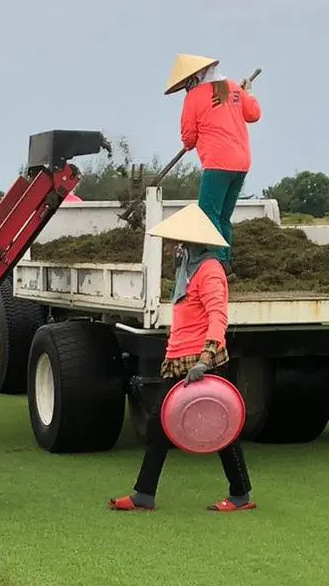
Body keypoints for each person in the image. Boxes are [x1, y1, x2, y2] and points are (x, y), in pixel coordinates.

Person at [109, 202, 255, 513]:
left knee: (221, 428)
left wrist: (205, 358)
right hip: (178, 362)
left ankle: (240, 493)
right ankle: (144, 495)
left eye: (182, 241)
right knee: (159, 426)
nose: (177, 246)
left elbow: (218, 317)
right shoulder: (188, 268)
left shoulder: (210, 270)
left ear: (196, 241)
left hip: (205, 365)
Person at [164, 53, 261, 267]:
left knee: (208, 214)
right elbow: (253, 114)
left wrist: (190, 142)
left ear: (196, 77)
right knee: (223, 216)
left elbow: (189, 137)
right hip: (242, 163)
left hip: (217, 163)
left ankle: (216, 261)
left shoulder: (194, 97)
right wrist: (249, 94)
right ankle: (224, 262)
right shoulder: (233, 88)